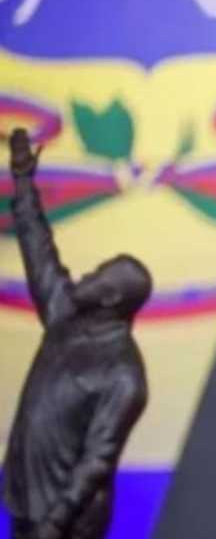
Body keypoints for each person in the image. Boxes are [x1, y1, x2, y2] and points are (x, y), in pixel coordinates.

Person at [3, 129, 151, 539]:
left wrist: (56, 521)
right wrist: (23, 180)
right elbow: (39, 250)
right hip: (27, 499)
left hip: (69, 523)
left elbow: (97, 460)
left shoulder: (124, 374)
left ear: (112, 298)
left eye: (98, 275)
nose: (86, 275)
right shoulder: (65, 315)